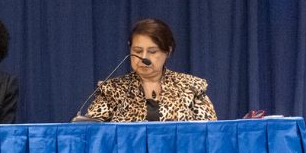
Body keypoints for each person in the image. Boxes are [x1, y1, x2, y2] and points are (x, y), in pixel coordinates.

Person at [84, 18, 216, 122]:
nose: (143, 58)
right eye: (137, 51)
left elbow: (211, 134)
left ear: (168, 52)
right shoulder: (111, 90)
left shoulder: (191, 88)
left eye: (152, 51)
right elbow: (90, 133)